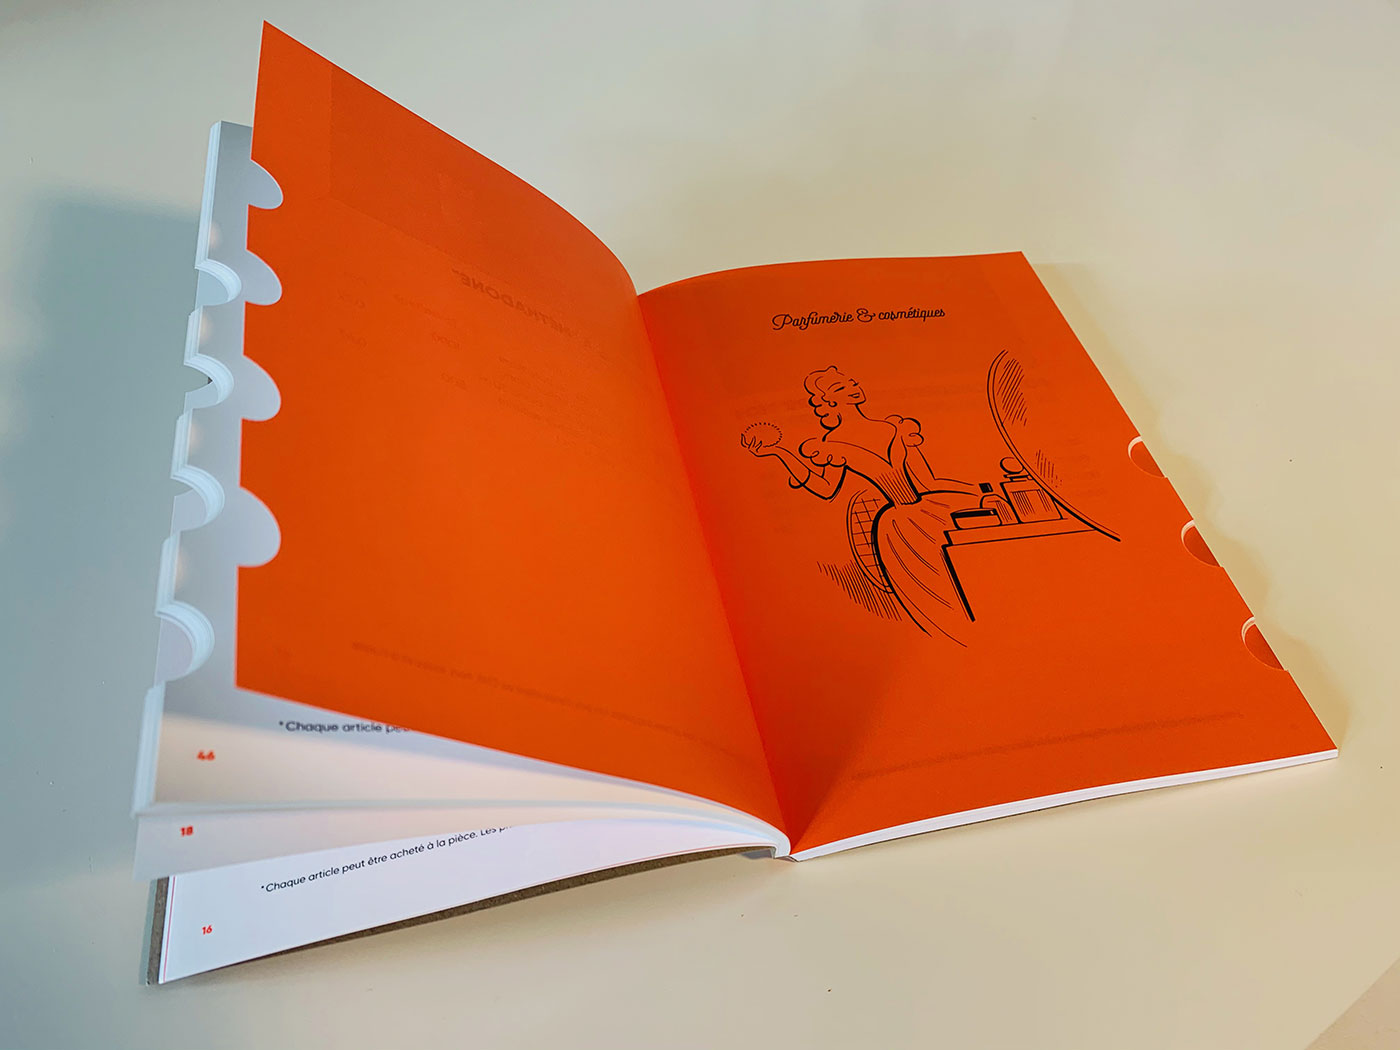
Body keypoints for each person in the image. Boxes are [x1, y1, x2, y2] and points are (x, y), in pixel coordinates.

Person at [742, 366, 980, 643]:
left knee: (971, 575)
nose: (854, 387)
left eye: (852, 382)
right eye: (842, 387)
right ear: (830, 402)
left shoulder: (896, 428)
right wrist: (780, 453)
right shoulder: (831, 442)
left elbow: (928, 482)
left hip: (933, 512)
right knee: (933, 595)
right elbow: (825, 488)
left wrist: (976, 493)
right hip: (897, 531)